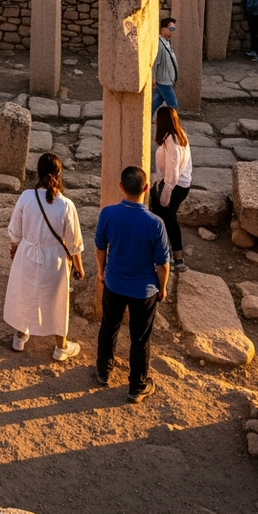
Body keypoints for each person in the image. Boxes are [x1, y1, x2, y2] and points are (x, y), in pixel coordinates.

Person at [95, 166, 170, 403]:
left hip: (114, 282)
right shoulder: (155, 223)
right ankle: (137, 386)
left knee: (109, 326)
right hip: (143, 290)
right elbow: (163, 264)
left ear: (121, 187)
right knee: (140, 338)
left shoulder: (108, 214)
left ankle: (103, 371)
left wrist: (101, 271)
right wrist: (163, 287)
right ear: (146, 188)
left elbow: (100, 245)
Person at [3, 153, 85, 361]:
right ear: (59, 174)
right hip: (54, 259)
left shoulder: (26, 197)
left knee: (26, 292)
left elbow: (15, 230)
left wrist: (15, 248)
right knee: (57, 300)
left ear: (38, 172)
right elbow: (74, 242)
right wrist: (78, 267)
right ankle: (61, 346)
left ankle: (21, 336)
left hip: (27, 253)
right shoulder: (66, 205)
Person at [152, 107, 192, 273]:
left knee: (162, 219)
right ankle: (175, 258)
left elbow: (173, 172)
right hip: (181, 184)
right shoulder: (179, 134)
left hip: (173, 186)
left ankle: (169, 258)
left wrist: (165, 196)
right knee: (166, 219)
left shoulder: (171, 141)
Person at [151, 17, 178, 116]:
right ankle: (172, 123)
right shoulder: (159, 43)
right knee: (173, 105)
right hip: (163, 79)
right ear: (163, 29)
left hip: (167, 79)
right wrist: (153, 77)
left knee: (157, 100)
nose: (173, 32)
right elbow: (154, 62)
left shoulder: (167, 41)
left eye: (174, 29)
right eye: (171, 29)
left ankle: (146, 117)